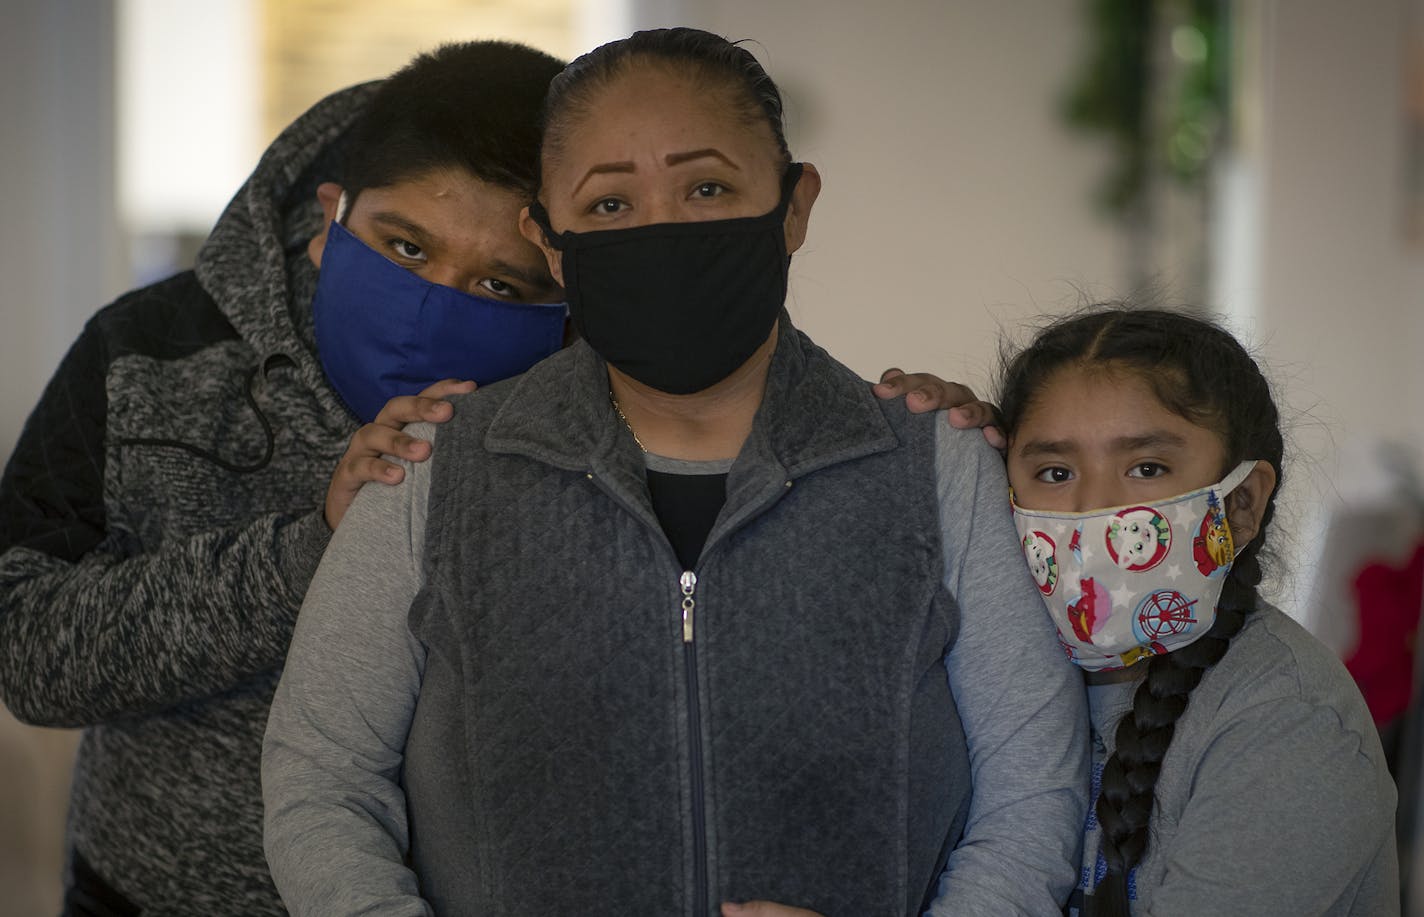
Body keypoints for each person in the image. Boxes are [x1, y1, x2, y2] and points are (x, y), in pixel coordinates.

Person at [263, 27, 1088, 917]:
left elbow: (1034, 795)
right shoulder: (436, 469)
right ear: (550, 242)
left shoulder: (937, 470)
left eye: (706, 187)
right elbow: (322, 780)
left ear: (794, 205)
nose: (664, 232)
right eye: (611, 205)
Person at [0, 41, 571, 913]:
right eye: (406, 247)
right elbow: (26, 654)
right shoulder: (148, 353)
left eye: (500, 284)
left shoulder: (589, 412)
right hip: (143, 894)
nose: (439, 299)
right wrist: (307, 553)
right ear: (331, 218)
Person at [997, 307, 1398, 915]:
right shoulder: (997, 672)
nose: (1092, 507)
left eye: (1146, 468)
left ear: (1241, 504)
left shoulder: (1290, 720)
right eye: (1055, 472)